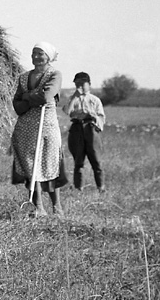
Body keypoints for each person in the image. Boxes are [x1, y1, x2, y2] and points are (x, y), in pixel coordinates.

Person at [11, 42, 68, 217]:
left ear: (48, 57)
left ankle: (57, 207)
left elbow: (46, 96)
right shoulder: (23, 77)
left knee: (49, 163)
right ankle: (38, 207)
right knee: (30, 165)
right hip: (25, 127)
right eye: (34, 53)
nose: (36, 57)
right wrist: (31, 98)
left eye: (40, 53)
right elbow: (17, 105)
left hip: (46, 126)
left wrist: (27, 97)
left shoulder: (54, 74)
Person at [64, 71, 106, 192]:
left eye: (83, 84)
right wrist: (74, 97)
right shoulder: (73, 99)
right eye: (77, 84)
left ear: (89, 84)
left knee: (96, 161)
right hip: (77, 129)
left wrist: (93, 116)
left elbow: (101, 117)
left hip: (90, 129)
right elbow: (67, 111)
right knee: (78, 161)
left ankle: (101, 187)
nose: (80, 87)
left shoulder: (95, 100)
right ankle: (79, 188)